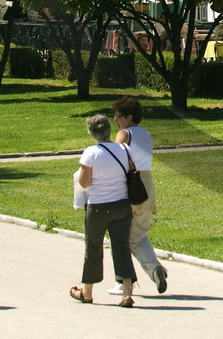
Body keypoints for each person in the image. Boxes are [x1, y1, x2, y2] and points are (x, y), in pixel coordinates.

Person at [71, 114, 136, 307]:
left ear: (92, 134)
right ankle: (127, 293)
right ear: (109, 130)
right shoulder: (124, 149)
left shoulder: (91, 153)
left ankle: (87, 292)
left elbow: (84, 182)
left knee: (93, 248)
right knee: (122, 247)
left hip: (98, 206)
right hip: (122, 204)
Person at [114, 97, 167, 294]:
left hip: (129, 186)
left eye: (119, 116)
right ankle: (154, 269)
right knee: (139, 236)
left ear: (129, 117)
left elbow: (116, 158)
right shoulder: (146, 134)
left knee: (120, 236)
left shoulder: (124, 134)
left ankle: (123, 281)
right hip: (146, 185)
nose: (115, 120)